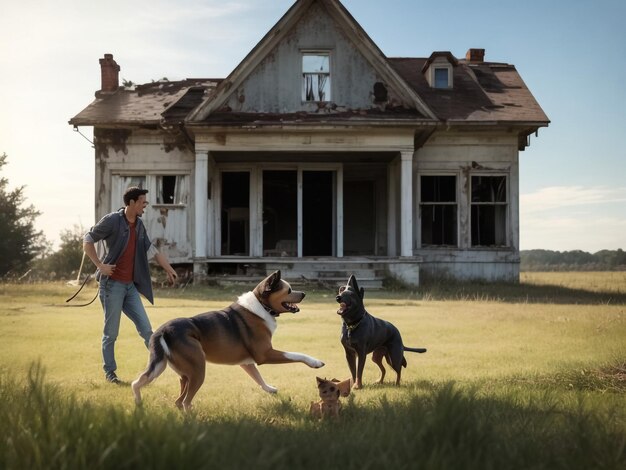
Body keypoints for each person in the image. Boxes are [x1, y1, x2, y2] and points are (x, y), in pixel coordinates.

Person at [83, 186, 178, 384]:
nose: (146, 205)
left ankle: (164, 366)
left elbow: (151, 249)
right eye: (143, 202)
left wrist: (168, 268)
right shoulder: (112, 220)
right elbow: (88, 239)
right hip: (112, 287)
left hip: (130, 287)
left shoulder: (139, 225)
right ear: (132, 203)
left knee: (147, 331)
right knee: (111, 334)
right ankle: (110, 374)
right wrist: (100, 266)